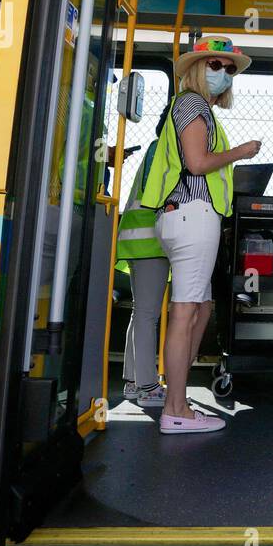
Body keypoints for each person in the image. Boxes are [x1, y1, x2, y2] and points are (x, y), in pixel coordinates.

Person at [140, 37, 261, 434]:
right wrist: (240, 153)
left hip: (186, 217)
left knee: (201, 307)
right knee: (186, 311)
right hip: (193, 215)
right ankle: (175, 409)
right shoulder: (192, 103)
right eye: (215, 64)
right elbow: (197, 164)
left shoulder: (197, 108)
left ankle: (178, 393)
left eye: (229, 69)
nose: (223, 73)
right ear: (196, 67)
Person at [116, 106, 172, 408]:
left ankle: (133, 381)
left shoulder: (156, 149)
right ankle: (149, 387)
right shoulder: (164, 152)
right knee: (148, 314)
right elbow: (160, 195)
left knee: (142, 312)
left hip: (140, 241)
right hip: (151, 242)